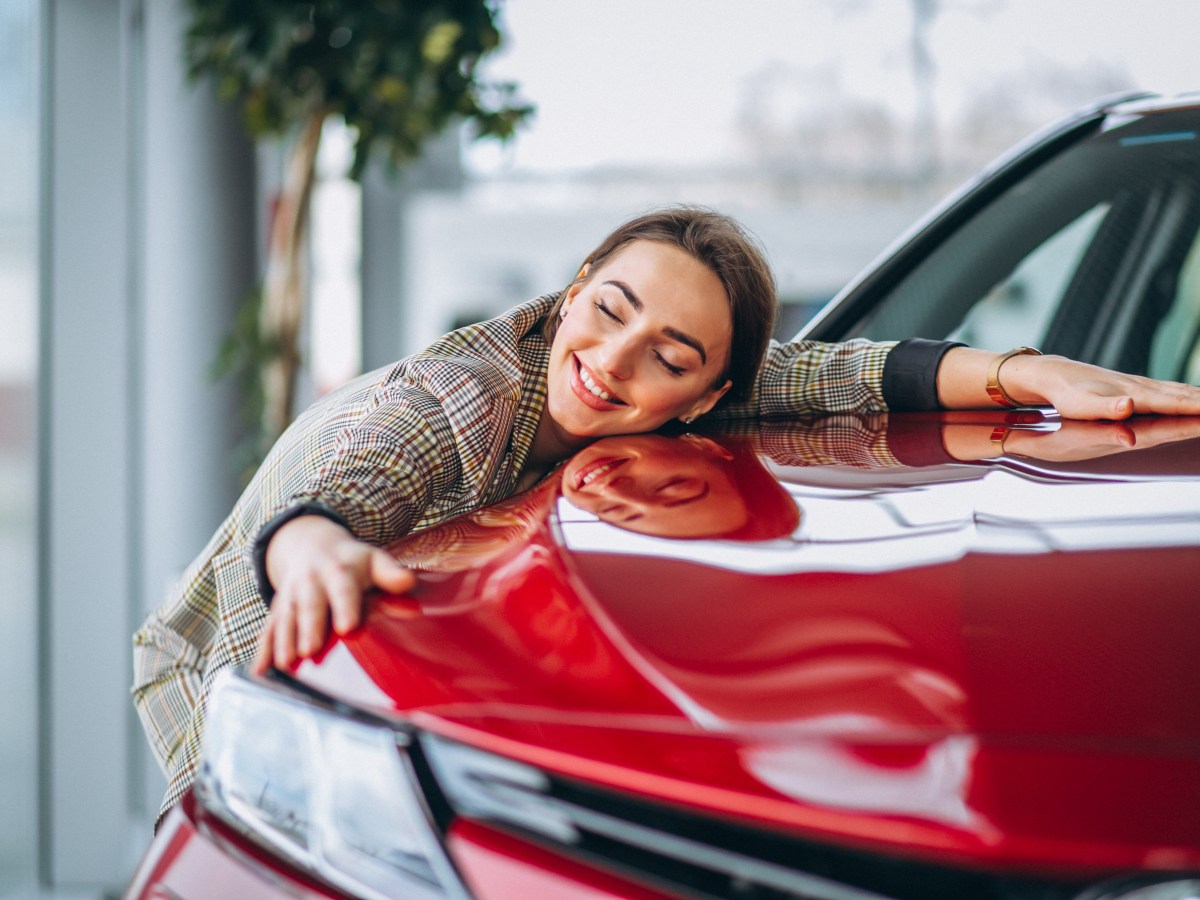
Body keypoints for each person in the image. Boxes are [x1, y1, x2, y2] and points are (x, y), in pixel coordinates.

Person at [132, 205, 1200, 825]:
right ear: (579, 280)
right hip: (230, 649)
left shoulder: (713, 388)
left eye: (671, 359)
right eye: (610, 308)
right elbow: (351, 476)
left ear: (704, 397)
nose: (614, 359)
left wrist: (1024, 369)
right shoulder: (453, 401)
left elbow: (835, 377)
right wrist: (313, 544)